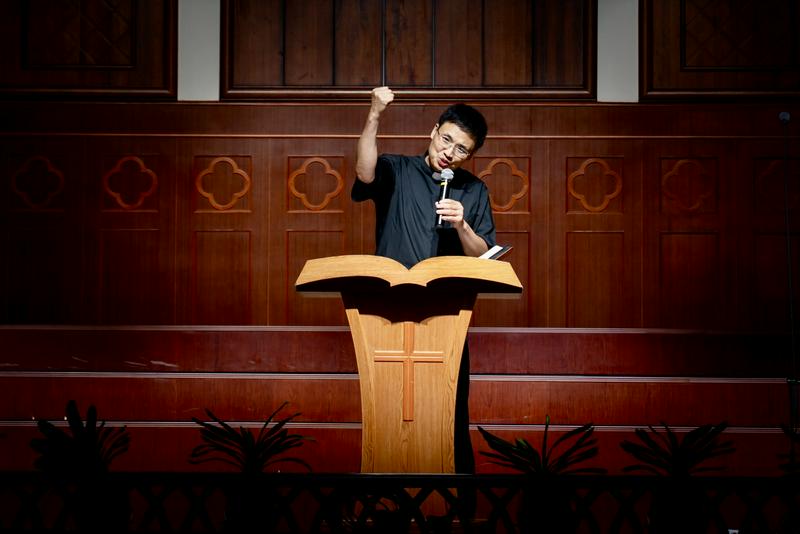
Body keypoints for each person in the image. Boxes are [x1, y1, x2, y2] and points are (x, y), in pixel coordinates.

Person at [351, 86, 496, 475]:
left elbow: (483, 255)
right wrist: (375, 113)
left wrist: (462, 224)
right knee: (388, 410)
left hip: (446, 318)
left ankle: (451, 505)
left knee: (448, 409)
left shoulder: (473, 190)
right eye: (446, 139)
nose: (450, 151)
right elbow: (364, 173)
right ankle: (382, 504)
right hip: (389, 313)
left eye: (461, 149)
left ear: (471, 155)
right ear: (433, 132)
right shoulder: (397, 169)